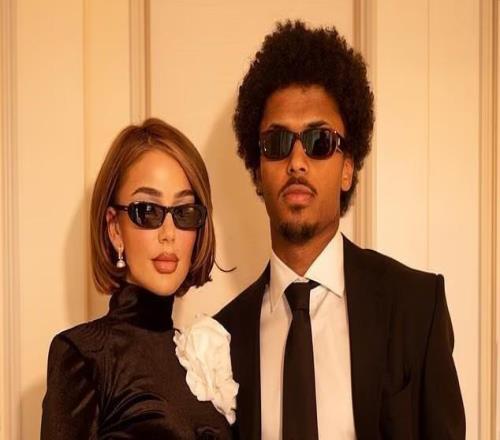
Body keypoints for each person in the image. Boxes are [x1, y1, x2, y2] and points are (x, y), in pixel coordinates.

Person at [216, 21, 465, 440]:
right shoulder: (221, 340)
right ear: (258, 171)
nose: (297, 162)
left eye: (319, 141)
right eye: (277, 143)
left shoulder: (417, 308)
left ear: (348, 167)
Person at [41, 118, 234, 439]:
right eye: (147, 211)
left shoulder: (204, 355)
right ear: (115, 228)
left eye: (184, 212)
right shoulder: (83, 355)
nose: (169, 233)